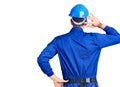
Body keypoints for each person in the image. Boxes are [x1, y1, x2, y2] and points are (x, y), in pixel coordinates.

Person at [37, 4, 120, 87]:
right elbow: (117, 37)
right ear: (85, 22)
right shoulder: (95, 39)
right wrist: (100, 25)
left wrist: (54, 78)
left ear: (71, 21)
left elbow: (42, 59)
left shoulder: (59, 40)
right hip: (90, 84)